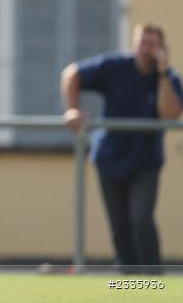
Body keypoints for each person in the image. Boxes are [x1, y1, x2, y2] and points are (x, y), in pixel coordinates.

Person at [61, 21, 182, 274]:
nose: (145, 49)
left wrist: (161, 74)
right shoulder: (116, 67)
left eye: (152, 44)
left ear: (162, 49)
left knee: (141, 219)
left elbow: (169, 114)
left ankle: (152, 277)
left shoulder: (168, 79)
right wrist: (71, 108)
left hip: (145, 162)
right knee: (119, 225)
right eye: (142, 43)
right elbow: (72, 73)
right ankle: (127, 279)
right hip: (109, 158)